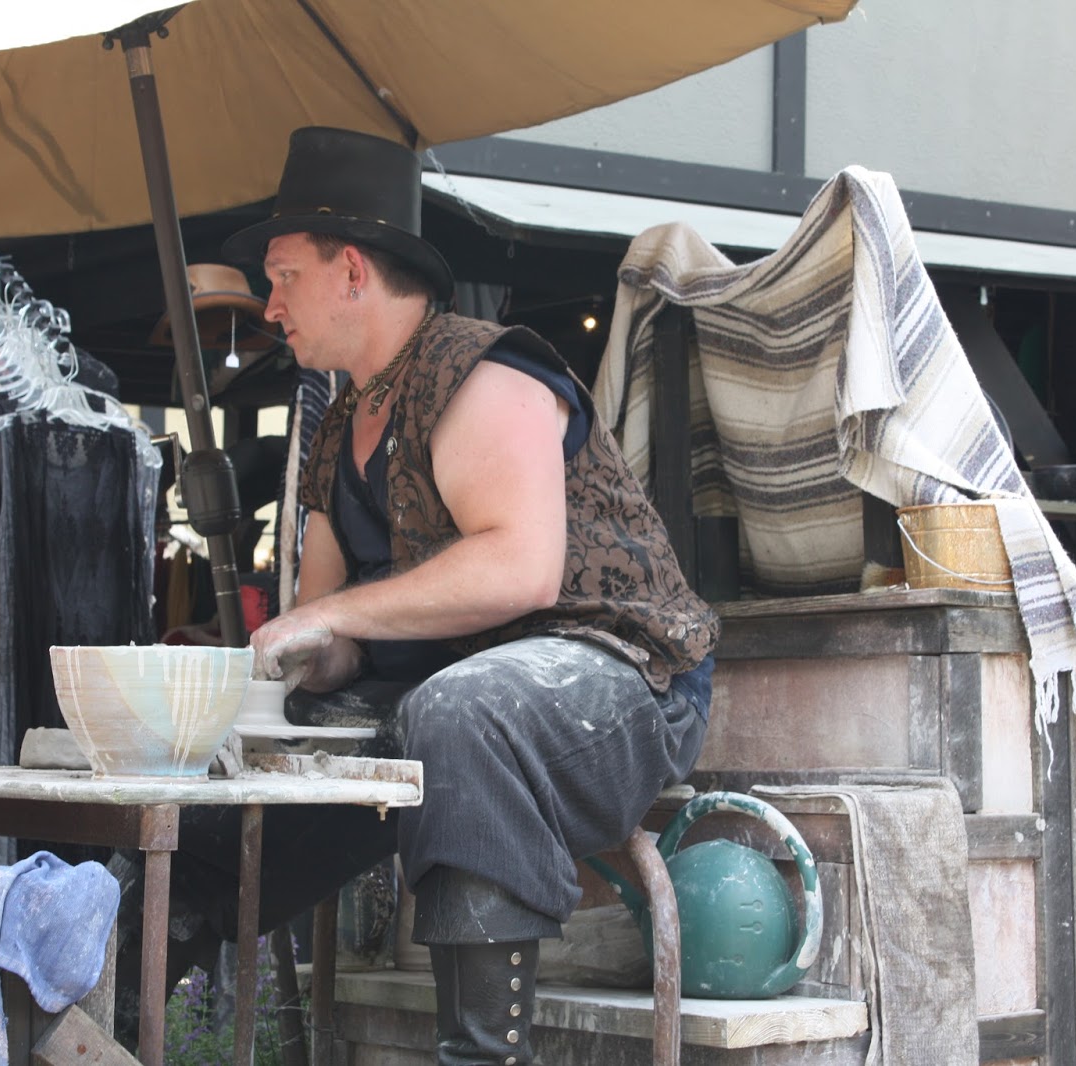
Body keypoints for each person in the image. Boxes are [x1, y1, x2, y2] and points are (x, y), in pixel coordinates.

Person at [214, 126, 718, 1063]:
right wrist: (286, 662)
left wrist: (328, 615)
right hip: (453, 693)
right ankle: (113, 984)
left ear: (352, 271)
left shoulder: (484, 370)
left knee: (463, 713)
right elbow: (336, 643)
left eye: (283, 276)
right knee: (232, 748)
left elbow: (520, 568)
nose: (269, 305)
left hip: (625, 680)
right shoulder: (337, 428)